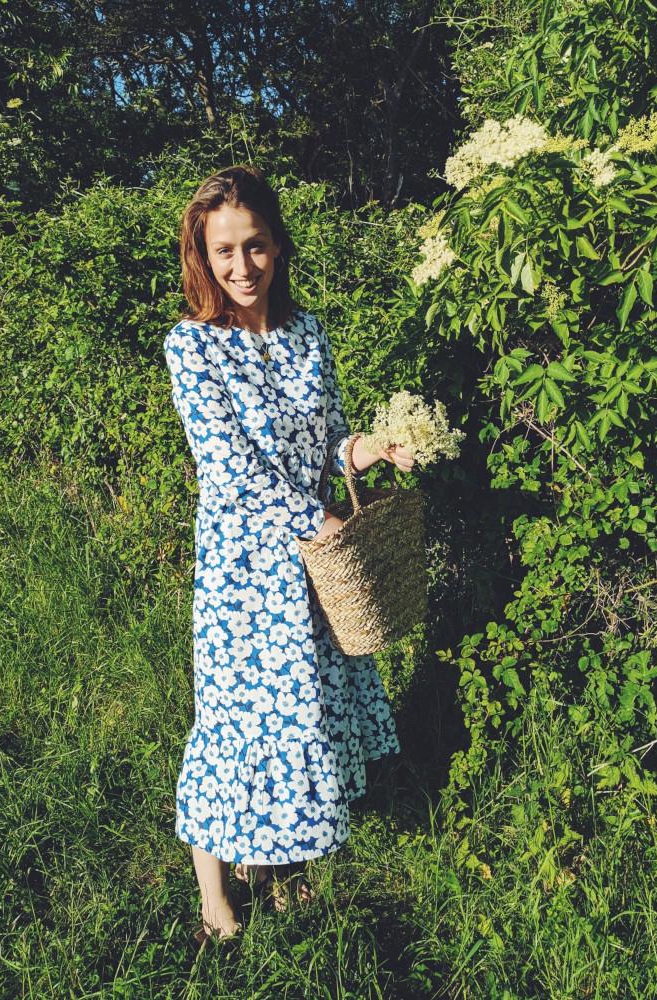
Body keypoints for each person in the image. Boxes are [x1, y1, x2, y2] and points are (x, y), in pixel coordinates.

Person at [163, 164, 414, 944]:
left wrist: (367, 449)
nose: (243, 267)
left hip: (311, 571)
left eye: (257, 246)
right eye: (226, 251)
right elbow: (230, 467)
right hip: (247, 572)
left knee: (302, 722)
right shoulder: (192, 346)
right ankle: (215, 901)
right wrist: (317, 522)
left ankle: (278, 868)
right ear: (203, 257)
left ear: (278, 247)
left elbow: (325, 439)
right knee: (237, 725)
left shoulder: (308, 336)